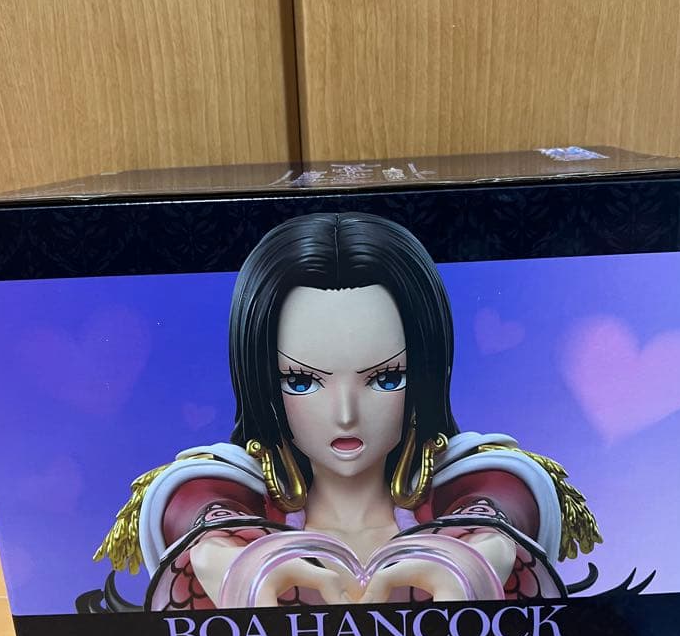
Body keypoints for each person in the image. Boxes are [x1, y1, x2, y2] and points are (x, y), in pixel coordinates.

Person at [92, 212, 601, 611]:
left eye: (386, 378)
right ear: (262, 383)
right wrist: (221, 553)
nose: (345, 414)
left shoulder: (462, 504)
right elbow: (193, 500)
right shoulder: (240, 513)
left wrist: (483, 551)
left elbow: (505, 494)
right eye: (302, 381)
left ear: (426, 375)